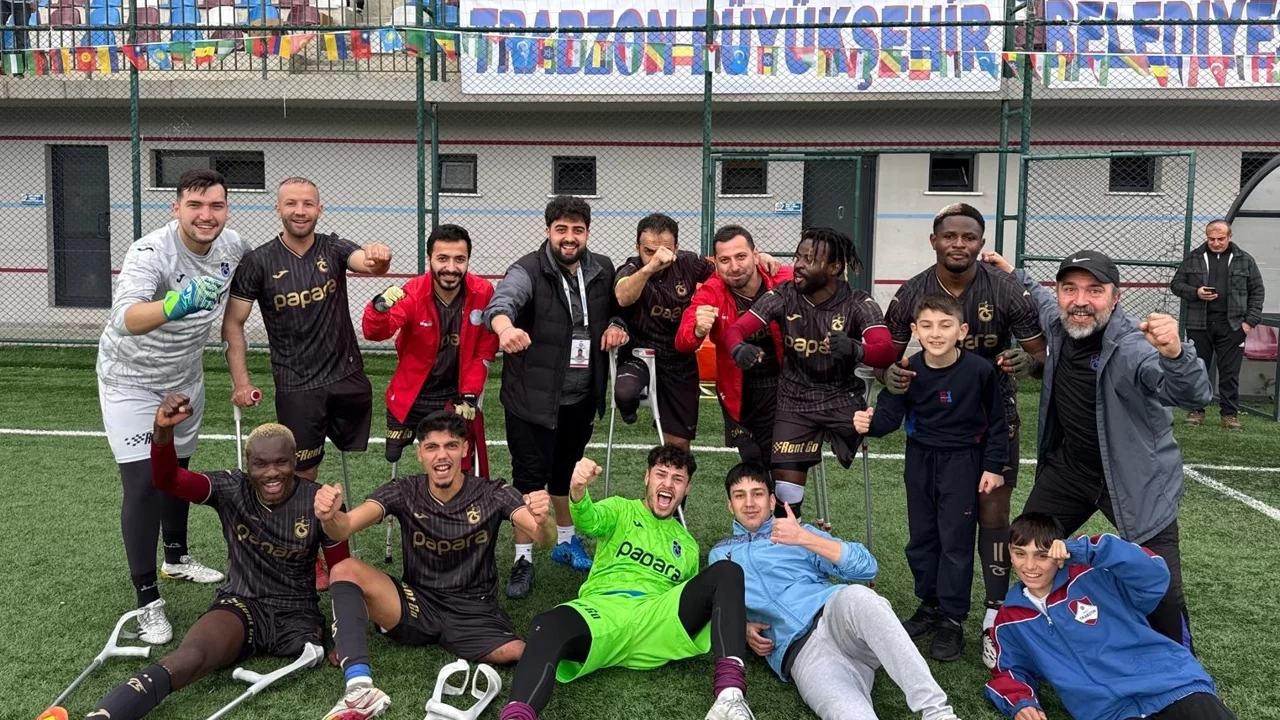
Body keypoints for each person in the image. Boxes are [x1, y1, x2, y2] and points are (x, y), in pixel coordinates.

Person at [48, 394, 350, 720]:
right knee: (191, 657)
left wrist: (345, 637)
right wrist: (162, 432)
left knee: (309, 654)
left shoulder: (319, 501)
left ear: (295, 460)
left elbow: (342, 573)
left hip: (297, 617)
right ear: (248, 464)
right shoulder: (231, 488)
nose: (271, 473)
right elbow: (167, 480)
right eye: (260, 464)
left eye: (281, 462)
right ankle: (105, 715)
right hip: (241, 605)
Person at [983, 250, 1211, 649]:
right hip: (1069, 472)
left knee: (1161, 587)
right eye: (1069, 289)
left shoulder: (1134, 345)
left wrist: (1176, 354)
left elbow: (1193, 394)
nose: (1080, 301)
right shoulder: (1059, 322)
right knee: (1031, 548)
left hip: (1134, 479)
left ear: (1115, 297)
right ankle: (1027, 638)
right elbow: (1039, 295)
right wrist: (1011, 271)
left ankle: (1180, 663)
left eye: (1094, 290)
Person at [314, 411, 557, 720]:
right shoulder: (404, 490)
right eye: (432, 447)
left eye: (451, 445)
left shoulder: (493, 493)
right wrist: (329, 517)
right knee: (344, 569)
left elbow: (544, 539)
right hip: (416, 604)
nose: (441, 455)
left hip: (473, 609)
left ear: (465, 449)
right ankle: (359, 687)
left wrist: (544, 521)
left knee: (520, 652)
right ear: (420, 454)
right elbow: (345, 527)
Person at [882, 202, 1046, 648]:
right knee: (930, 526)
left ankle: (993, 608)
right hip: (934, 426)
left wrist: (1028, 363)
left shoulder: (1007, 290)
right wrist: (887, 375)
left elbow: (1041, 357)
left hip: (991, 417)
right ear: (933, 240)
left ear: (981, 243)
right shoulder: (910, 293)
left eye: (968, 237)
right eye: (950, 236)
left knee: (991, 510)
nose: (959, 244)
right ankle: (932, 605)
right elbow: (888, 361)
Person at [96, 168, 248, 644]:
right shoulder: (150, 252)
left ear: (227, 210)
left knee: (177, 469)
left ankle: (177, 558)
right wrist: (176, 303)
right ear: (176, 208)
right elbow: (124, 318)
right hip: (131, 379)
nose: (206, 215)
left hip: (184, 376)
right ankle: (147, 601)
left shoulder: (233, 247)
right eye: (195, 205)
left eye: (216, 206)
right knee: (143, 483)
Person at [497, 446, 756, 720]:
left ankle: (729, 698)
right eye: (661, 474)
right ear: (647, 477)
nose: (668, 484)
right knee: (547, 625)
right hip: (602, 612)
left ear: (687, 488)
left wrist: (738, 623)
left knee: (726, 571)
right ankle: (516, 716)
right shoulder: (620, 508)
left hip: (656, 619)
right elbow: (588, 520)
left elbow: (695, 601)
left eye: (678, 479)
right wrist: (578, 490)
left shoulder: (688, 545)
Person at [222, 177, 391, 588]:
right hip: (298, 386)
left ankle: (337, 542)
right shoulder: (258, 262)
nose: (300, 211)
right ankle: (306, 554)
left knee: (351, 457)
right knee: (303, 474)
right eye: (291, 204)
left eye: (308, 204)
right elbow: (233, 323)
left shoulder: (333, 247)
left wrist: (379, 257)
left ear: (319, 209)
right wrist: (241, 382)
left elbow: (368, 264)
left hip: (347, 378)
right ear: (277, 209)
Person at [709, 463, 960, 720]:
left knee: (860, 597)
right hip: (801, 653)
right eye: (739, 495)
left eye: (757, 493)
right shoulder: (719, 555)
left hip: (835, 615)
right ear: (730, 504)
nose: (749, 503)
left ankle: (937, 713)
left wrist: (804, 538)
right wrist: (743, 628)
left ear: (772, 501)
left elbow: (867, 568)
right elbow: (717, 610)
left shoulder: (797, 532)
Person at [482, 195, 630, 599]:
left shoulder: (602, 269)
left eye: (577, 230)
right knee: (529, 482)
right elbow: (502, 302)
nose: (569, 238)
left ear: (587, 233)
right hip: (532, 400)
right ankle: (523, 558)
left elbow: (619, 309)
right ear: (548, 231)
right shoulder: (527, 269)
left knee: (565, 472)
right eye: (561, 229)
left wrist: (617, 324)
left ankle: (566, 542)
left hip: (579, 398)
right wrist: (504, 328)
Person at [855, 293, 1009, 661]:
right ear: (914, 330)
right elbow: (889, 418)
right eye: (926, 326)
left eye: (944, 325)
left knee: (955, 540)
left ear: (962, 330)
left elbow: (997, 424)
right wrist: (868, 422)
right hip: (920, 460)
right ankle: (929, 604)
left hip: (962, 462)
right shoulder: (907, 369)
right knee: (922, 537)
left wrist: (993, 466)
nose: (935, 333)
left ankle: (952, 618)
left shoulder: (980, 371)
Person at [986, 513, 1236, 720]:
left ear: (1059, 554)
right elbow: (1008, 671)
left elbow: (1154, 574)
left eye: (1042, 555)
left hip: (1173, 684)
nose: (1029, 566)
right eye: (1020, 553)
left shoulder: (1096, 576)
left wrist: (1086, 551)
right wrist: (1021, 702)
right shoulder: (1010, 620)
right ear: (1010, 552)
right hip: (1112, 712)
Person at [721, 227, 896, 519]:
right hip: (795, 402)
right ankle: (790, 540)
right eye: (798, 257)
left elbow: (886, 350)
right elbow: (735, 330)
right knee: (786, 496)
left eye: (810, 259)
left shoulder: (858, 302)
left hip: (841, 398)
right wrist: (739, 349)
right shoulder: (782, 295)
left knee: (874, 424)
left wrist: (856, 349)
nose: (799, 265)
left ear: (834, 267)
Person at [614, 215, 779, 449]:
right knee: (625, 393)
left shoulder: (688, 262)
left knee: (679, 446)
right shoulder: (631, 268)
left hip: (679, 359)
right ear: (637, 247)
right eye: (648, 251)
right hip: (641, 353)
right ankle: (629, 409)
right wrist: (650, 268)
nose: (657, 256)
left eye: (664, 251)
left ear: (677, 248)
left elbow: (723, 272)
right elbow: (623, 297)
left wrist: (757, 261)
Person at [361, 223, 497, 468]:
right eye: (442, 259)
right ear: (429, 259)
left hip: (455, 397)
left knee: (456, 465)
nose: (451, 268)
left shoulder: (483, 291)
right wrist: (379, 308)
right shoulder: (412, 292)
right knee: (393, 456)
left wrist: (470, 394)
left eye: (459, 259)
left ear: (468, 259)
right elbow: (376, 333)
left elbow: (484, 351)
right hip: (411, 396)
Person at [675, 225, 793, 464]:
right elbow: (682, 342)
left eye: (741, 256)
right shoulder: (712, 291)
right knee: (753, 463)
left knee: (783, 464)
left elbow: (828, 286)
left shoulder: (784, 279)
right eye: (725, 260)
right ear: (715, 264)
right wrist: (697, 330)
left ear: (755, 255)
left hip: (787, 387)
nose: (734, 267)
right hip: (739, 392)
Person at [1170, 219, 1266, 431]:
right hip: (1199, 324)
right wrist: (1195, 292)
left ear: (1230, 237)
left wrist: (1249, 323)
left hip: (1233, 325)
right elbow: (1176, 285)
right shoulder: (1193, 258)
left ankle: (1229, 415)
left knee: (1229, 373)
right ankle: (1196, 410)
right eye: (1211, 238)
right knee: (1197, 369)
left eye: (1220, 239)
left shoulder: (1245, 260)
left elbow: (1257, 292)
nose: (1215, 243)